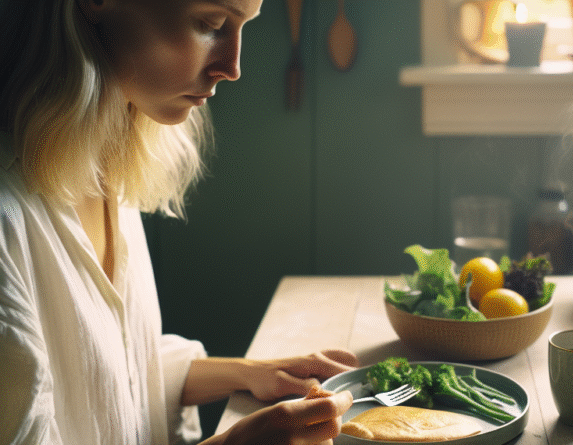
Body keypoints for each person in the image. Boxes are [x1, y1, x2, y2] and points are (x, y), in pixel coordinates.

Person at [0, 0, 358, 444]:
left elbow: (116, 373)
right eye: (210, 24)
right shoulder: (8, 221)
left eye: (243, 26)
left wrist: (252, 373)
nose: (233, 67)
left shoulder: (99, 168)